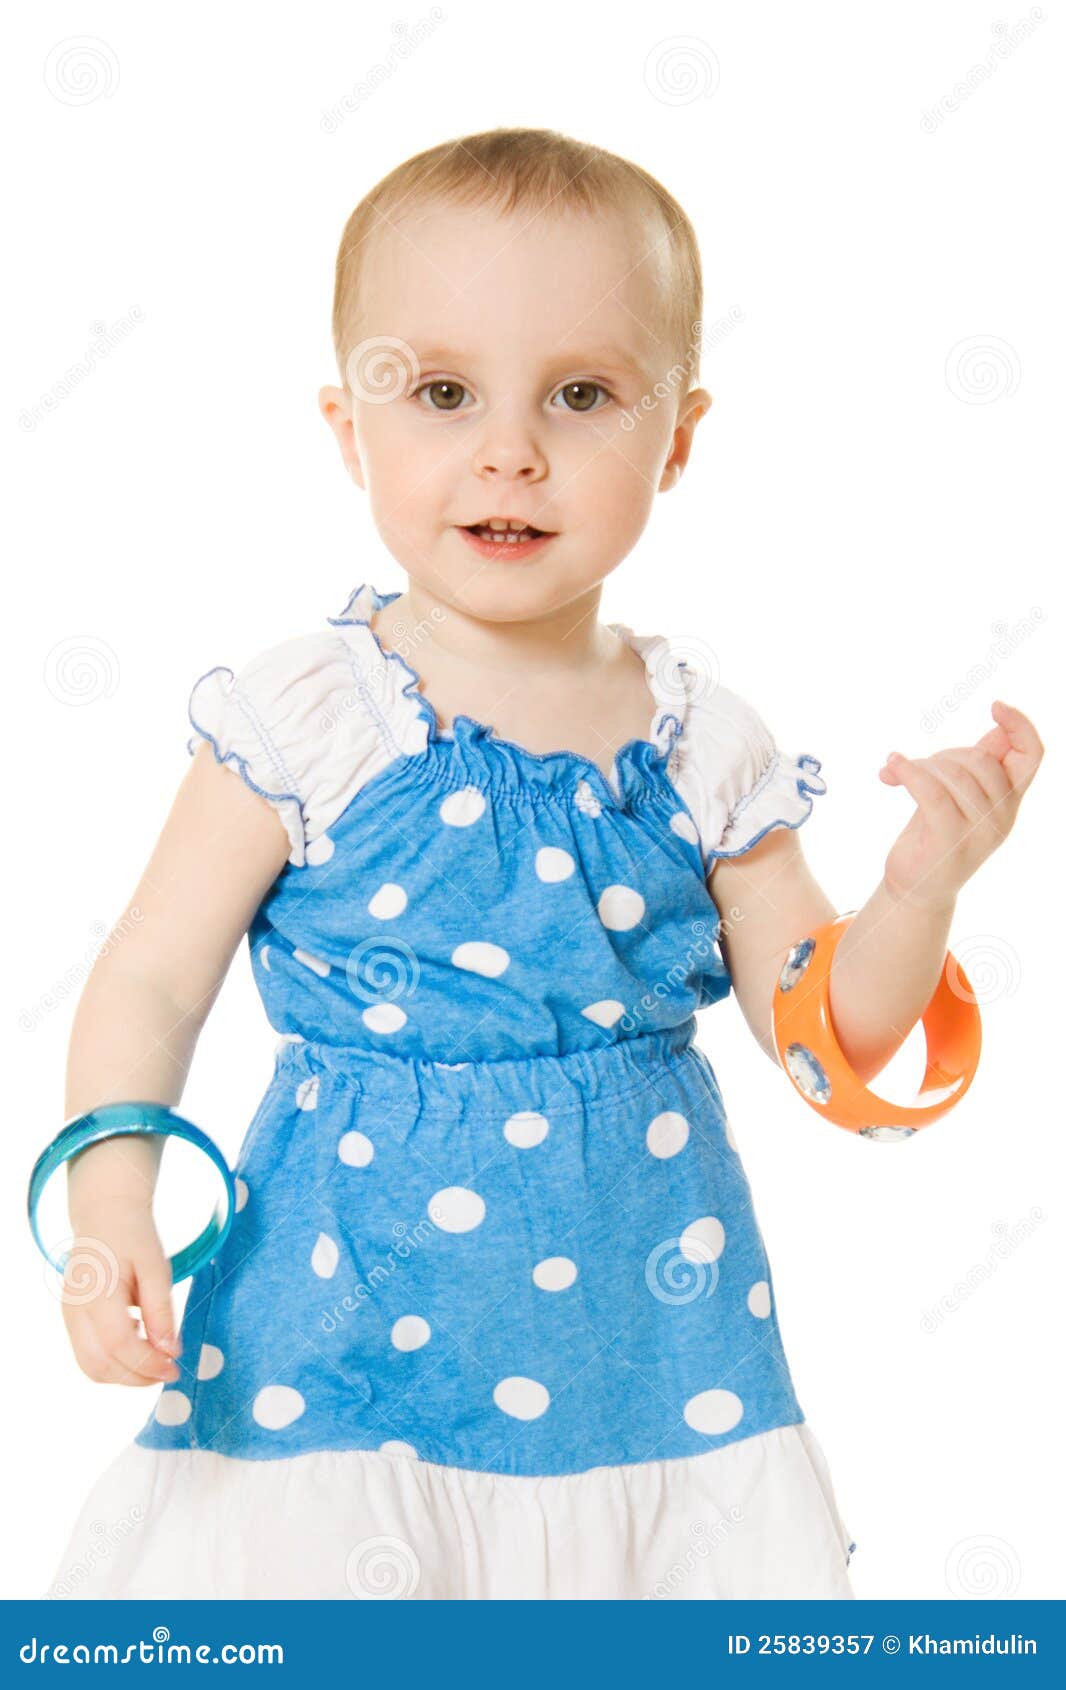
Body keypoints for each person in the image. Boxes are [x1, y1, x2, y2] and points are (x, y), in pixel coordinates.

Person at [47, 126, 1042, 1600]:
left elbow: (828, 1037)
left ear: (677, 439)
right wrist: (112, 1201)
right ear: (348, 430)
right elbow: (150, 975)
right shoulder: (309, 719)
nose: (509, 450)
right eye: (441, 392)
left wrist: (916, 895)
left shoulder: (703, 749)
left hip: (648, 1366)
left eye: (580, 396)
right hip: (331, 1348)